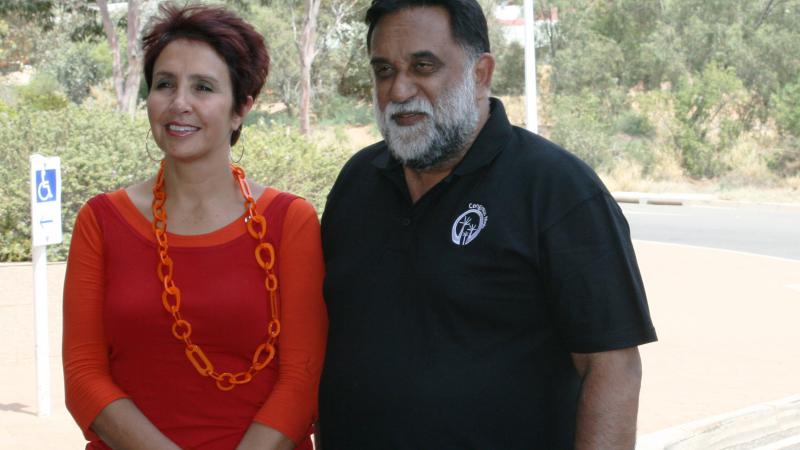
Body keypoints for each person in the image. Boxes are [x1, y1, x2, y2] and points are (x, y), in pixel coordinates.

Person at [318, 0, 657, 448]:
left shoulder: (557, 188)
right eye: (383, 70)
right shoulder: (357, 181)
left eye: (423, 66)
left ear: (481, 73)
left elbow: (612, 367)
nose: (399, 90)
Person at [62, 4, 327, 449]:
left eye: (203, 87)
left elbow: (302, 377)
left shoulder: (290, 221)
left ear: (241, 108)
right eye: (165, 84)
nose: (179, 102)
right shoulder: (101, 221)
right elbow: (84, 376)